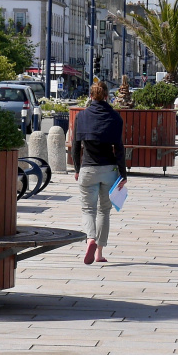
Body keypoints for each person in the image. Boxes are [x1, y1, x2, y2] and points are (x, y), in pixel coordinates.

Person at [70, 78, 126, 265]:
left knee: (88, 209)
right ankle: (99, 253)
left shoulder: (82, 117)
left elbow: (75, 146)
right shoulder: (115, 118)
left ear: (91, 96)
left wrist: (78, 169)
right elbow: (119, 148)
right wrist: (123, 174)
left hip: (88, 168)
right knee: (104, 210)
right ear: (107, 96)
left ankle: (90, 238)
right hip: (109, 169)